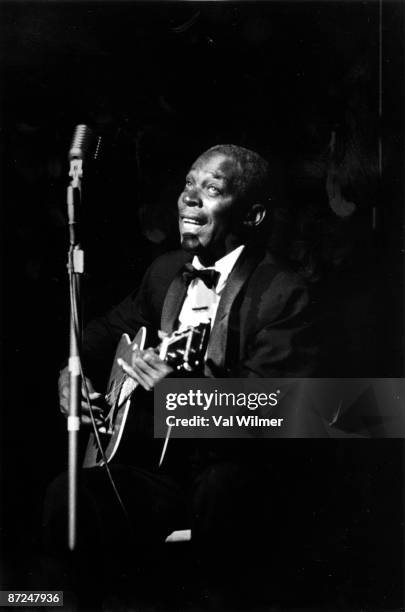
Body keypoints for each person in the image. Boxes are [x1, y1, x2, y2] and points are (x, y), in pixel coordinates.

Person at [43, 144, 318, 609]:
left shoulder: (284, 294)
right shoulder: (165, 272)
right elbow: (96, 336)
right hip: (162, 472)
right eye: (189, 183)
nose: (190, 198)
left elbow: (270, 412)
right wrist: (73, 377)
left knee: (224, 490)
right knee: (69, 495)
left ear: (251, 216)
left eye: (212, 189)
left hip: (233, 476)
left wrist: (177, 394)